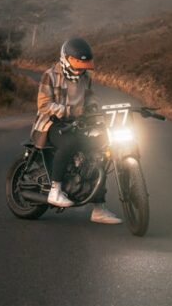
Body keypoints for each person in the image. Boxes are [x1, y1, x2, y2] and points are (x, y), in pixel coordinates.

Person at [31, 37, 122, 224]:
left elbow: (91, 99)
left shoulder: (85, 78)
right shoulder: (51, 75)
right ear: (66, 58)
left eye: (84, 64)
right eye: (77, 63)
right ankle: (55, 190)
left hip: (77, 124)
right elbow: (43, 105)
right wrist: (69, 111)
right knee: (70, 143)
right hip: (51, 124)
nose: (81, 68)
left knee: (98, 151)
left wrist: (95, 110)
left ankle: (99, 208)